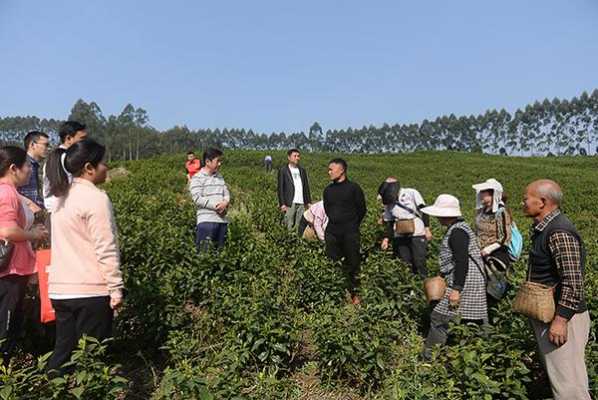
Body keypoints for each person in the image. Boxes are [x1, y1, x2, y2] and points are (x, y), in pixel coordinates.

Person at [45, 139, 123, 374]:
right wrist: (116, 287)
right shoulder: (96, 198)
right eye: (102, 162)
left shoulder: (60, 199)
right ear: (89, 168)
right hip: (90, 291)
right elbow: (105, 247)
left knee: (62, 355)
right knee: (92, 361)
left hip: (61, 290)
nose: (106, 166)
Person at [522, 179, 590, 400]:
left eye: (526, 199)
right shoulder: (544, 229)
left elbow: (573, 281)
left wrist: (560, 320)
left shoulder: (559, 231)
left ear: (542, 202)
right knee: (567, 381)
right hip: (553, 317)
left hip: (561, 320)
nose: (523, 203)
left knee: (569, 388)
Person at [421, 194, 487, 359]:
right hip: (468, 280)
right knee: (470, 320)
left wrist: (456, 289)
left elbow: (462, 261)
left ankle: (429, 359)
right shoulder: (459, 227)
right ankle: (474, 353)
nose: (437, 218)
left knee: (439, 317)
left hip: (465, 281)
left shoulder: (457, 232)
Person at [0, 146, 48, 364]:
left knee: (11, 326)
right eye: (26, 165)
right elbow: (7, 231)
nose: (30, 169)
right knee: (6, 328)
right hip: (9, 272)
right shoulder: (6, 193)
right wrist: (33, 234)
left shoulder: (10, 191)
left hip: (14, 270)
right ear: (13, 168)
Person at [323, 158, 366, 305]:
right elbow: (328, 209)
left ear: (341, 170)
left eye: (331, 169)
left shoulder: (354, 188)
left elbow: (362, 209)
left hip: (350, 232)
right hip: (332, 232)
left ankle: (355, 294)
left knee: (353, 263)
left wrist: (352, 224)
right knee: (333, 263)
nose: (329, 172)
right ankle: (337, 294)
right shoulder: (328, 190)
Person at [378, 177, 432, 279]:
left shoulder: (411, 193)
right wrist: (386, 238)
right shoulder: (388, 202)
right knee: (404, 262)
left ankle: (423, 286)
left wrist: (427, 228)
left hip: (417, 232)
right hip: (399, 233)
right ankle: (409, 289)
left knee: (419, 261)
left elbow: (424, 210)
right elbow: (389, 221)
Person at [189, 148, 230, 252]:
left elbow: (226, 192)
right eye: (217, 161)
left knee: (221, 256)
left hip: (222, 221)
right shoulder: (197, 178)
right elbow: (197, 198)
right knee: (205, 257)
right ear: (207, 162)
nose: (220, 164)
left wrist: (225, 202)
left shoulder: (220, 177)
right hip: (206, 222)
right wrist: (217, 206)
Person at [43, 121, 88, 214]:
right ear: (68, 138)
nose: (85, 142)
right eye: (82, 138)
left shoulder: (52, 158)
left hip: (53, 210)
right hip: (66, 211)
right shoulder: (68, 158)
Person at [277, 149, 311, 232]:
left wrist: (308, 202)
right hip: (289, 202)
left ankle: (297, 242)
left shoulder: (302, 171)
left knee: (299, 226)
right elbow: (280, 188)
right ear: (289, 157)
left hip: (301, 202)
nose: (297, 158)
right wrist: (282, 204)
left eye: (298, 156)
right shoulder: (283, 170)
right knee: (288, 224)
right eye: (295, 156)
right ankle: (287, 242)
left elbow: (306, 187)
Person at [18, 131, 50, 210]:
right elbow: (12, 192)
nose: (48, 148)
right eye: (46, 145)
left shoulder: (35, 166)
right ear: (32, 145)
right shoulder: (21, 164)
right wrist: (32, 206)